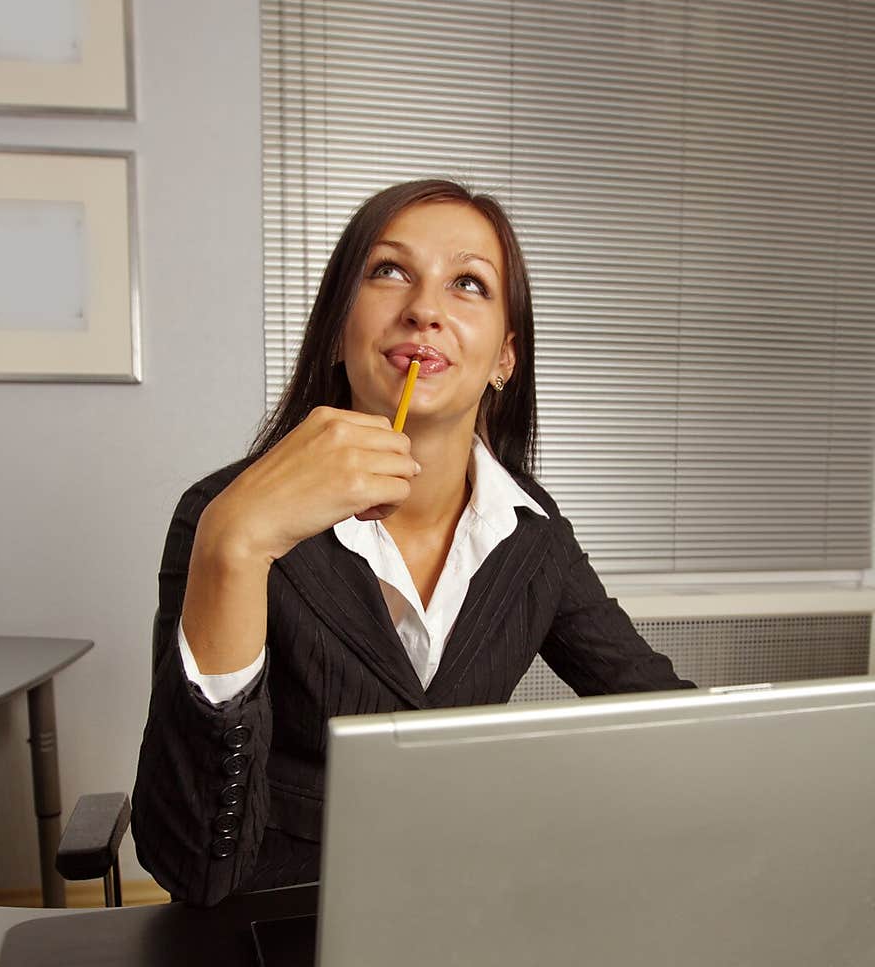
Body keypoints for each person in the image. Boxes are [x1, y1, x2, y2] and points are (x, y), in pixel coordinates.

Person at [131, 178, 694, 906]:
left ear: (504, 359)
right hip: (275, 927)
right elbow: (193, 869)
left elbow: (658, 712)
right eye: (390, 271)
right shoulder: (225, 516)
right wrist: (236, 546)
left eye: (468, 283)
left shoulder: (533, 533)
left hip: (461, 913)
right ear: (339, 329)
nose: (425, 310)